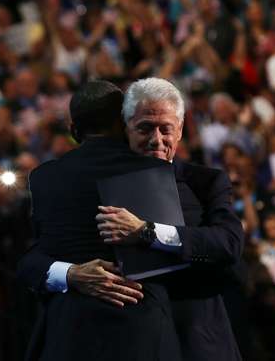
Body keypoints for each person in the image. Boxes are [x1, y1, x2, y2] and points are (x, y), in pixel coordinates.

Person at [18, 78, 244, 361]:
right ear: (124, 127)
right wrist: (71, 273)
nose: (156, 140)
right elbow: (31, 260)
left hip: (194, 340)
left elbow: (229, 249)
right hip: (126, 338)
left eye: (166, 129)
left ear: (182, 130)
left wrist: (147, 231)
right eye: (145, 128)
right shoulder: (101, 182)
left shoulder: (202, 183)